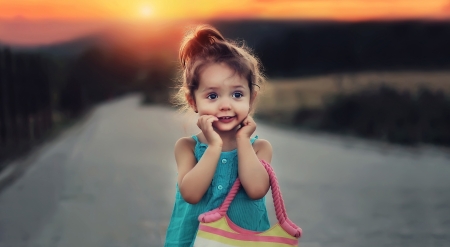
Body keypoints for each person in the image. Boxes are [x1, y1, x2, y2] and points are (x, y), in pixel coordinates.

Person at [164, 24, 273, 247]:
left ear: (251, 98)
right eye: (212, 96)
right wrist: (213, 147)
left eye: (237, 94)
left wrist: (243, 141)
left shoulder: (259, 148)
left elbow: (256, 190)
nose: (225, 105)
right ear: (193, 101)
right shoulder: (186, 147)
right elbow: (191, 194)